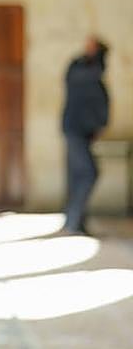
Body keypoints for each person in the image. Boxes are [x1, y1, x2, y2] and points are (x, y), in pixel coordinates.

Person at [61, 35, 110, 235]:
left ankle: (76, 221)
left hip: (83, 131)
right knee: (89, 173)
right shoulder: (80, 69)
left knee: (78, 176)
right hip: (75, 130)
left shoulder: (91, 70)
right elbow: (94, 73)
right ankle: (73, 220)